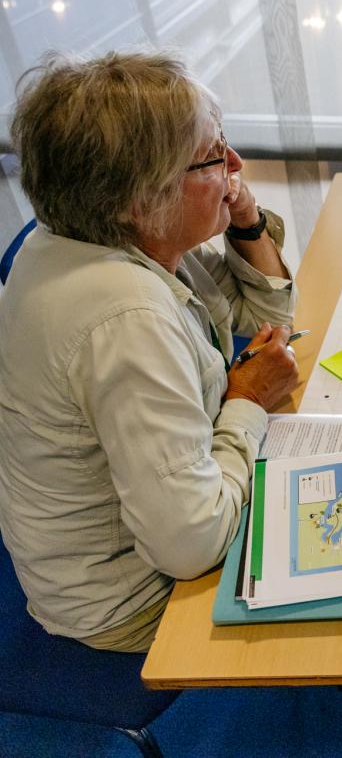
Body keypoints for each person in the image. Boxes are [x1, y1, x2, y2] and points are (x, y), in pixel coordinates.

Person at [0, 51, 301, 652]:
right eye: (215, 157)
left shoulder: (98, 235)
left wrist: (240, 214)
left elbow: (270, 320)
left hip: (137, 528)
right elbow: (192, 545)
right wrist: (247, 402)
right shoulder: (125, 314)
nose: (237, 166)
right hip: (134, 599)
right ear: (142, 197)